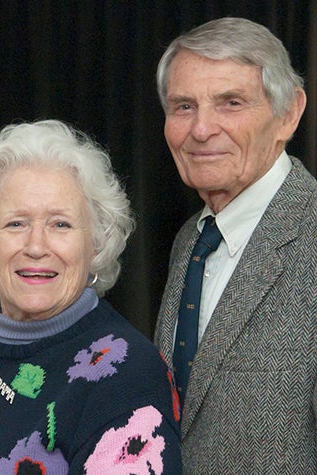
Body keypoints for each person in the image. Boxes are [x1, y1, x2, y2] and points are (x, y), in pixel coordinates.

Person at [0, 120, 182, 474]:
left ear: (95, 246)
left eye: (60, 224)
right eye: (16, 223)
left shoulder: (127, 376)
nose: (36, 246)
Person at [154, 17, 316, 474]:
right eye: (184, 106)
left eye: (230, 103)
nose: (202, 129)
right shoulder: (192, 238)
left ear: (289, 114)